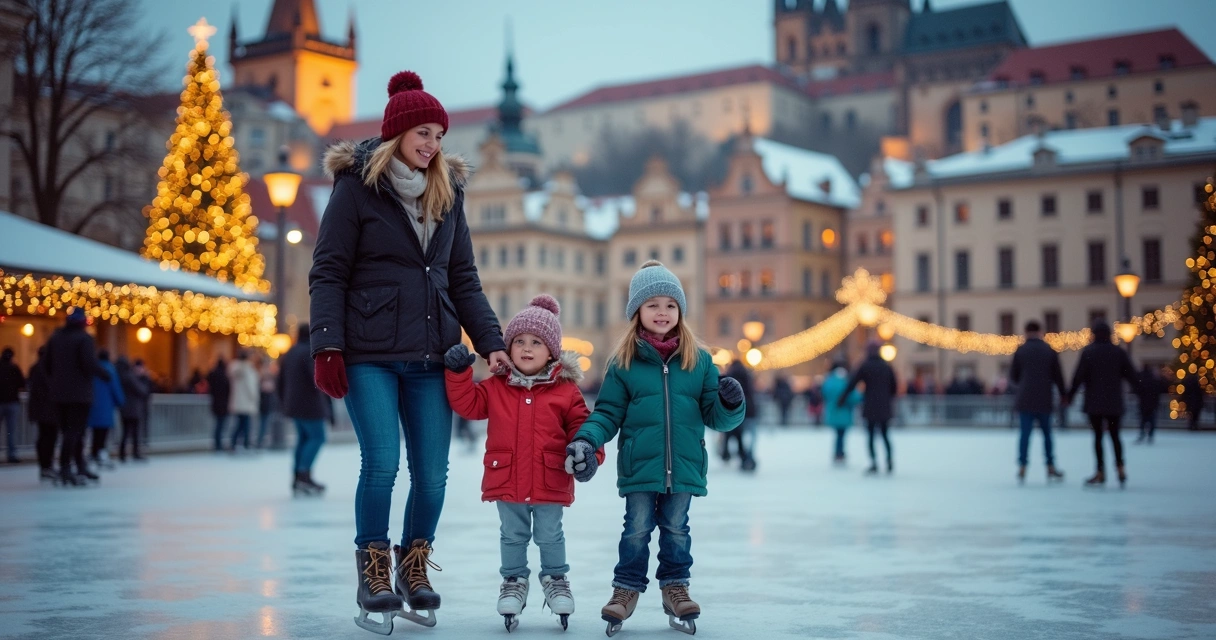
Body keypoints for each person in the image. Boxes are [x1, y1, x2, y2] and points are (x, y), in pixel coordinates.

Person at [309, 70, 508, 634]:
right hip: (368, 352)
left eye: (439, 136)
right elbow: (328, 271)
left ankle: (413, 568)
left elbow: (463, 279)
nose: (432, 145)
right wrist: (327, 346)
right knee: (381, 464)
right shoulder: (356, 187)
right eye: (423, 133)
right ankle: (374, 570)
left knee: (434, 474)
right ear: (397, 133)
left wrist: (490, 345)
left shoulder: (448, 193)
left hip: (433, 354)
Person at [565, 261, 745, 635]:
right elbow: (608, 413)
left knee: (677, 529)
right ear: (637, 312)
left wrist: (731, 403)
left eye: (670, 304)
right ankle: (626, 589)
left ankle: (676, 587)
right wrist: (586, 438)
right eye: (652, 305)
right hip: (639, 467)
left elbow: (716, 417)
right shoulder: (624, 363)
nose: (662, 312)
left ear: (680, 311)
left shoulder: (700, 361)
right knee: (637, 528)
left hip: (684, 466)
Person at [444, 295, 601, 631]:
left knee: (550, 535)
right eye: (519, 341)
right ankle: (513, 581)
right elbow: (468, 405)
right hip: (508, 478)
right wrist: (459, 373)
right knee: (512, 535)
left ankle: (556, 579)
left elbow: (585, 429)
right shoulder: (496, 386)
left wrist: (589, 454)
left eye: (536, 342)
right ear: (508, 347)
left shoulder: (566, 391)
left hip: (550, 479)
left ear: (552, 352)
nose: (526, 348)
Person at [1067, 320, 1140, 487]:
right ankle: (1120, 467)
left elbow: (1078, 376)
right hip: (1114, 402)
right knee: (1115, 436)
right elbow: (1132, 376)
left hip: (1094, 403)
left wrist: (1069, 396)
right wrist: (1142, 392)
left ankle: (1100, 471)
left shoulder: (1089, 352)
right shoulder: (1118, 352)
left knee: (1098, 438)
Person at [44, 308, 109, 485]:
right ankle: (68, 467)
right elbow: (88, 363)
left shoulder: (55, 338)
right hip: (79, 395)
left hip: (59, 394)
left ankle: (78, 465)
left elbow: (47, 364)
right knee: (75, 432)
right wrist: (105, 374)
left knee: (68, 432)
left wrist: (56, 382)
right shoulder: (84, 339)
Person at [1008, 320, 1067, 484]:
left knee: (1025, 435)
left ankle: (1022, 466)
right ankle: (1050, 466)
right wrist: (1064, 395)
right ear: (1041, 331)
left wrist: (1021, 388)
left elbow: (1013, 377)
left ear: (1026, 331)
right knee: (1047, 435)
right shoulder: (1049, 350)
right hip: (1044, 399)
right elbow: (1058, 376)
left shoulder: (1021, 351)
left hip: (1025, 400)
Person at [279, 323, 330, 496]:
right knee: (317, 437)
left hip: (293, 404)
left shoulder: (290, 353)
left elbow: (281, 380)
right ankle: (303, 475)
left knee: (303, 439)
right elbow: (316, 379)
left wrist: (284, 402)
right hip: (310, 405)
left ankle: (298, 477)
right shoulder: (309, 353)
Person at [840, 341, 898, 475]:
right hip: (884, 406)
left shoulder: (865, 366)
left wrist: (842, 398)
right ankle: (889, 460)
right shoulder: (886, 366)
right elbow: (894, 386)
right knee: (885, 434)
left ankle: (874, 463)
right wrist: (888, 398)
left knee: (871, 436)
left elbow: (852, 383)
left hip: (870, 406)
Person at [86, 350, 125, 469]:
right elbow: (115, 388)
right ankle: (100, 454)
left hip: (92, 405)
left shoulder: (93, 370)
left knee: (95, 432)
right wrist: (121, 401)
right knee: (103, 432)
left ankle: (93, 454)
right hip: (106, 406)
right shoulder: (109, 370)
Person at [28, 346, 59, 481]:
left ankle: (45, 466)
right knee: (49, 437)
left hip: (40, 409)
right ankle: (47, 466)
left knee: (43, 437)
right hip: (49, 409)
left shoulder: (34, 368)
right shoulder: (49, 369)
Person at [820, 361, 861, 464]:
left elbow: (824, 394)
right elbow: (854, 397)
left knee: (838, 434)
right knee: (841, 434)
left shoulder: (829, 381)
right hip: (845, 412)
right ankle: (840, 452)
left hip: (834, 411)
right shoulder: (846, 381)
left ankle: (838, 452)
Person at [721, 358, 757, 471]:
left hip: (735, 409)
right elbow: (751, 392)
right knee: (748, 437)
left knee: (733, 434)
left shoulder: (730, 375)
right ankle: (747, 457)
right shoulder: (747, 374)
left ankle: (728, 453)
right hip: (750, 410)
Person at [116, 356, 150, 462]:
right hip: (133, 409)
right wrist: (144, 378)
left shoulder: (121, 376)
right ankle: (134, 454)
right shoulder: (130, 377)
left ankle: (123, 454)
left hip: (125, 409)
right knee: (134, 432)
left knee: (125, 433)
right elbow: (142, 390)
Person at [227, 350, 259, 452]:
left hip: (238, 401)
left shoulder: (234, 368)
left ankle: (235, 443)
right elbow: (251, 386)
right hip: (246, 402)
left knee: (240, 424)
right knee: (245, 425)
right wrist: (255, 397)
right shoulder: (248, 369)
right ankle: (245, 444)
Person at [0, 346, 24, 463]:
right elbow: (22, 383)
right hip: (13, 402)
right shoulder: (14, 368)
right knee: (11, 431)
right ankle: (11, 454)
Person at [1134, 364, 1167, 444]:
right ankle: (1150, 435)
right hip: (1153, 403)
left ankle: (1142, 434)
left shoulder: (1141, 380)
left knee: (1143, 420)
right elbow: (1161, 388)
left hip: (1143, 403)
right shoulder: (1155, 380)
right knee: (1151, 420)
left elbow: (1137, 390)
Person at [207, 358, 230, 452]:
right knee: (220, 424)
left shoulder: (213, 374)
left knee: (218, 424)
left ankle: (217, 443)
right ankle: (218, 444)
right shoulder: (224, 376)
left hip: (216, 402)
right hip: (222, 404)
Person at [256, 355, 278, 449]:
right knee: (263, 423)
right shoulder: (263, 376)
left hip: (265, 404)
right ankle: (260, 442)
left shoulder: (261, 374)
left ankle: (260, 441)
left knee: (264, 423)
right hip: (264, 404)